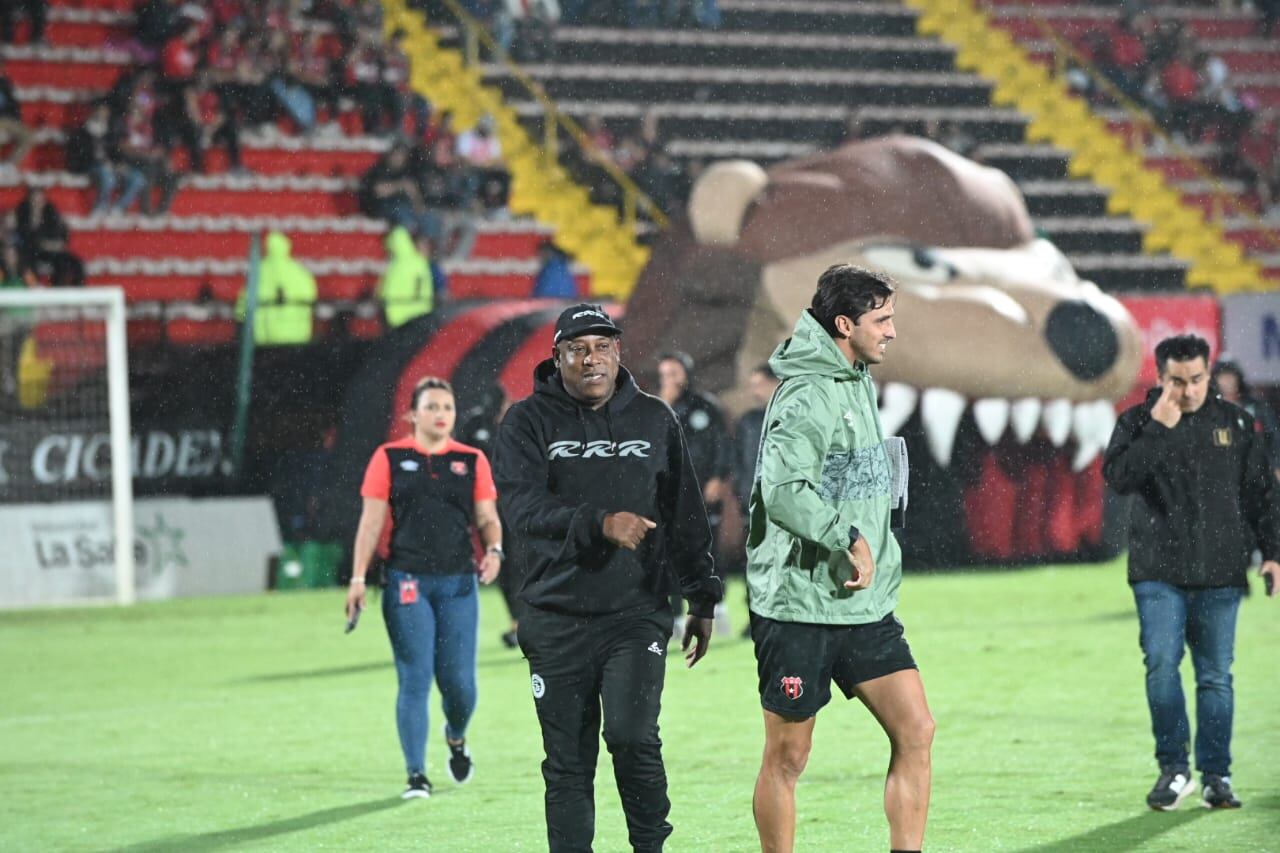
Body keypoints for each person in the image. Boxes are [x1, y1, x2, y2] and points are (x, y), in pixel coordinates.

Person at [492, 302, 723, 852]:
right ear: (557, 358)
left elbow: (684, 512)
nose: (590, 359)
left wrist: (702, 597)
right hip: (554, 617)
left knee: (632, 736)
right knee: (568, 761)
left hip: (635, 612)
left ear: (618, 352)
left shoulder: (654, 418)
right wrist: (599, 523)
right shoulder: (525, 422)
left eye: (601, 346)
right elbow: (522, 509)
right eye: (577, 349)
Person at [747, 263, 933, 853]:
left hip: (862, 605)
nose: (892, 332)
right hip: (800, 606)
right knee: (788, 756)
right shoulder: (807, 393)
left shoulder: (854, 378)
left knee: (916, 729)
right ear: (844, 324)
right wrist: (849, 538)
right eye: (882, 320)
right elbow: (784, 492)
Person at [1103, 334, 1280, 812]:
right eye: (1177, 381)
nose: (1188, 390)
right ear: (1161, 378)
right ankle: (1174, 769)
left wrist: (1273, 552)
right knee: (1162, 665)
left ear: (1208, 375)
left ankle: (1216, 777)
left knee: (1215, 677)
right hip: (1157, 572)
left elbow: (1262, 494)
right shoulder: (1138, 422)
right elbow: (1119, 479)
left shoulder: (1236, 423)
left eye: (1197, 379)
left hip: (1221, 572)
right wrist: (1159, 429)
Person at [345, 376, 504, 799]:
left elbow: (487, 517)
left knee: (460, 685)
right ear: (412, 415)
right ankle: (416, 774)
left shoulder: (471, 460)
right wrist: (358, 578)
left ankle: (456, 735)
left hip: (459, 584)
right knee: (415, 678)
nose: (441, 415)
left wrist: (495, 550)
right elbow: (371, 522)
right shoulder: (389, 457)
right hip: (407, 582)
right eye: (431, 407)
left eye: (447, 407)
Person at [1212, 356, 1280, 479]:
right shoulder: (1209, 409)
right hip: (1221, 475)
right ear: (1215, 379)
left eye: (1231, 375)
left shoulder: (1257, 407)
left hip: (1258, 473)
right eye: (1223, 376)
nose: (1227, 381)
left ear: (1238, 378)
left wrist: (1277, 466)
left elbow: (1274, 438)